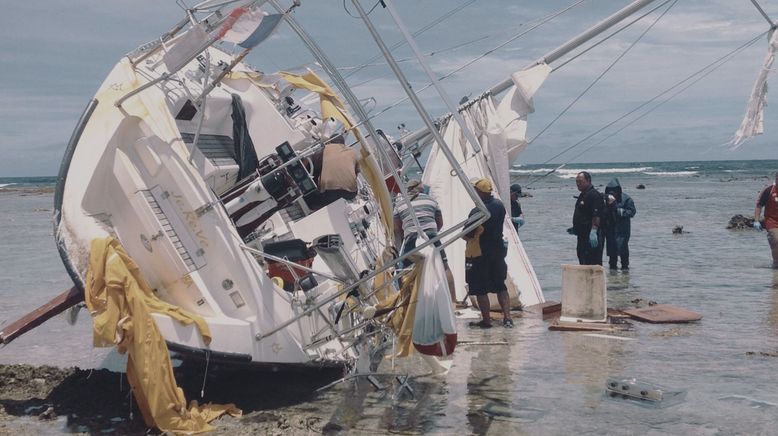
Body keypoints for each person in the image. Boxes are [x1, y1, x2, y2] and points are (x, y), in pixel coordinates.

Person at [393, 179, 457, 304]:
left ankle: (405, 301)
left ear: (408, 190)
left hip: (412, 238)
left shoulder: (400, 204)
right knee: (444, 266)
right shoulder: (431, 200)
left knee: (404, 269)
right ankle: (453, 300)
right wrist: (431, 233)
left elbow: (396, 228)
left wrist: (405, 236)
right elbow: (440, 222)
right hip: (431, 236)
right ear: (421, 188)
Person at [463, 178, 512, 328]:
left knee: (479, 288)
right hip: (497, 252)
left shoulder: (478, 210)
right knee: (500, 286)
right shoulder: (499, 206)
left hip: (479, 253)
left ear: (480, 192)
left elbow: (467, 233)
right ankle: (507, 318)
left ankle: (486, 321)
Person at [305, 118, 360, 210]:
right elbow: (356, 173)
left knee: (310, 201)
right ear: (343, 144)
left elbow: (312, 167)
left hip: (328, 189)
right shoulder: (353, 152)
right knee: (336, 195)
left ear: (330, 142)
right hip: (350, 193)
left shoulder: (326, 149)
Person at [603, 178, 636, 270]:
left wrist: (618, 211)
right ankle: (613, 278)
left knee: (623, 252)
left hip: (622, 230)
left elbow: (632, 212)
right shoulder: (606, 199)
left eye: (614, 191)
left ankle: (625, 276)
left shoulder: (626, 199)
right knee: (612, 257)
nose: (612, 193)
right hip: (611, 230)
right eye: (610, 191)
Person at [572, 171, 604, 265]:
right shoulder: (583, 195)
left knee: (593, 266)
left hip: (591, 238)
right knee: (583, 263)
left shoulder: (594, 195)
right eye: (576, 181)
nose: (578, 184)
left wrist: (594, 231)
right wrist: (576, 227)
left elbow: (596, 215)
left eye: (580, 181)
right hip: (582, 237)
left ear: (588, 181)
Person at [754, 172, 778, 267]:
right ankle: (776, 264)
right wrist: (756, 220)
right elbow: (759, 205)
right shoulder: (769, 190)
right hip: (772, 221)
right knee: (776, 240)